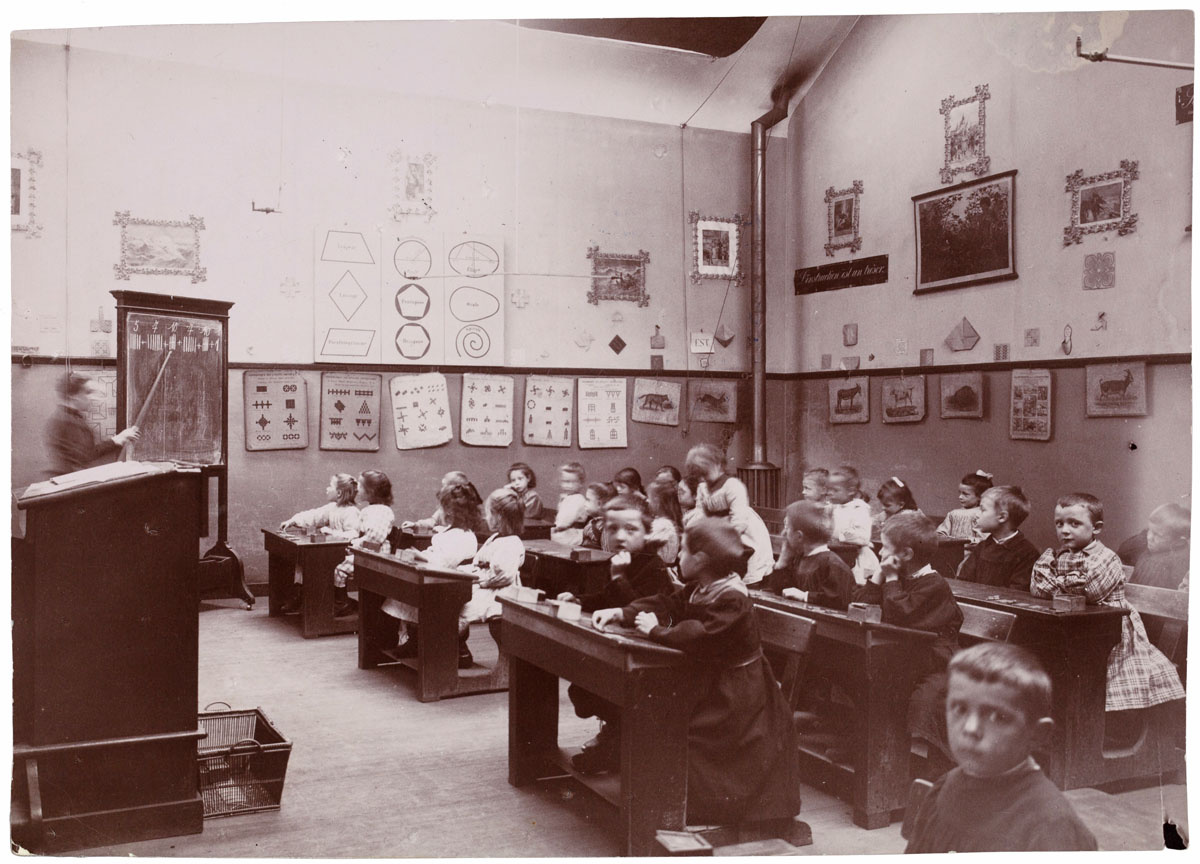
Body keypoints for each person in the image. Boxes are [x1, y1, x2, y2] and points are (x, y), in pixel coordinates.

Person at [591, 518, 801, 825]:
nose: (678, 557)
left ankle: (697, 806)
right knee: (656, 713)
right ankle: (667, 795)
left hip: (738, 697)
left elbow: (701, 634)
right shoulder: (700, 587)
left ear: (701, 560)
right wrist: (623, 612)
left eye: (684, 550)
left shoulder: (732, 598)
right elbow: (666, 603)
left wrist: (656, 632)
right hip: (713, 682)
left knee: (682, 728)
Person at [904, 643, 1098, 852]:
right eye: (959, 709)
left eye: (998, 716)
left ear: (1037, 733)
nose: (970, 728)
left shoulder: (1052, 826)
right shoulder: (946, 786)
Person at [1030, 494, 1185, 719]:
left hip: (1111, 632)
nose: (1065, 530)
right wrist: (1067, 584)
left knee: (1093, 672)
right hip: (1076, 626)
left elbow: (1090, 594)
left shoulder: (1107, 558)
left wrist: (1056, 584)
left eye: (1075, 523)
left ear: (1096, 527)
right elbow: (1037, 587)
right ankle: (1065, 717)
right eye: (1059, 523)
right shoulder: (1060, 556)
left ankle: (1088, 722)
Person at [560, 495, 674, 773]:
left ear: (647, 532)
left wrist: (619, 577)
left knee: (599, 689)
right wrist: (579, 600)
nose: (620, 536)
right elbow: (607, 598)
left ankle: (619, 745)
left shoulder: (654, 568)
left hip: (653, 662)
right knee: (584, 687)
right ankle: (616, 737)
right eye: (612, 529)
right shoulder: (625, 560)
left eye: (630, 529)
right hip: (623, 652)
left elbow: (642, 612)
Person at [855, 511, 964, 773]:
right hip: (913, 658)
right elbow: (860, 601)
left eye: (885, 549)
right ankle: (860, 750)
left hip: (938, 664)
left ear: (905, 555)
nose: (880, 554)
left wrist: (890, 579)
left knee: (907, 698)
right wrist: (880, 577)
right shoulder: (903, 578)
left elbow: (900, 616)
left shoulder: (933, 584)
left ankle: (926, 771)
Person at [377, 481, 481, 657]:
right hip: (440, 580)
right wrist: (420, 555)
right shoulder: (450, 531)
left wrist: (421, 556)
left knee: (411, 596)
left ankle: (458, 649)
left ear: (450, 511)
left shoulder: (463, 537)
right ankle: (415, 640)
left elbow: (444, 563)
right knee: (404, 593)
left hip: (452, 585)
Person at [685, 443, 774, 584]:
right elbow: (700, 513)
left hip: (740, 531)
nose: (703, 479)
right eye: (699, 476)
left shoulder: (732, 486)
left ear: (719, 465)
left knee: (740, 559)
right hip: (716, 529)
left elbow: (739, 519)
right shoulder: (702, 488)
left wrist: (724, 539)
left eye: (705, 473)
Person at [458, 487, 526, 668]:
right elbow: (479, 563)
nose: (486, 518)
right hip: (486, 586)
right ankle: (458, 649)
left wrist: (482, 582)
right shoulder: (496, 537)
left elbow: (505, 576)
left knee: (459, 606)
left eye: (489, 514)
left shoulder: (511, 543)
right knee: (453, 600)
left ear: (500, 518)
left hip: (498, 593)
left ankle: (458, 650)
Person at [278, 473, 361, 613]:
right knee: (302, 560)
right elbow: (314, 515)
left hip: (345, 552)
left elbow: (353, 535)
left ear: (339, 493)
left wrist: (331, 533)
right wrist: (293, 520)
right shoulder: (332, 508)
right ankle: (300, 595)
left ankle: (341, 602)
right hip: (330, 551)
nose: (327, 488)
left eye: (330, 486)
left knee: (336, 569)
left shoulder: (352, 512)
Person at [766, 500, 855, 611]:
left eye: (787, 528)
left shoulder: (832, 564)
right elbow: (779, 590)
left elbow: (842, 600)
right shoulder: (797, 559)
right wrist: (783, 561)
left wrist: (806, 596)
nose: (783, 533)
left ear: (799, 536)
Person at [46, 371, 140, 476]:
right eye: (87, 392)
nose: (92, 398)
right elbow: (86, 454)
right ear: (73, 396)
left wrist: (118, 439)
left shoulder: (72, 417)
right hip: (67, 484)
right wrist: (116, 440)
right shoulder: (66, 420)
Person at [333, 470, 395, 618]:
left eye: (360, 485)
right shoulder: (370, 510)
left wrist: (357, 543)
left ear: (371, 491)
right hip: (367, 552)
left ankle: (342, 604)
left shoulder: (381, 511)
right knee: (337, 565)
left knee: (340, 570)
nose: (357, 489)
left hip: (376, 555)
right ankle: (342, 601)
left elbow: (375, 537)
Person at [956, 486, 1040, 590]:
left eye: (982, 509)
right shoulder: (982, 547)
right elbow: (963, 582)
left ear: (1002, 517)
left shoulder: (1027, 553)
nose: (976, 515)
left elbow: (1018, 593)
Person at [828, 465, 880, 584]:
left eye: (835, 490)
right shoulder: (834, 507)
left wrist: (839, 535)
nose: (830, 493)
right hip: (838, 554)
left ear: (851, 491)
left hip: (857, 558)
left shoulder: (859, 508)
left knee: (856, 584)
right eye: (829, 489)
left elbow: (863, 537)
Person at [1130, 503, 1190, 590]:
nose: (1149, 537)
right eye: (1149, 530)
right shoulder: (1150, 552)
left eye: (1158, 535)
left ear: (1178, 541)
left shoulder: (1175, 562)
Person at [937, 470, 993, 540]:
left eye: (965, 494)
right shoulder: (953, 514)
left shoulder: (982, 515)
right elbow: (940, 534)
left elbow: (984, 539)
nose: (960, 497)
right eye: (960, 493)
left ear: (980, 496)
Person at [645, 474, 684, 566]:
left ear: (658, 501)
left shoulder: (663, 525)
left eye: (649, 497)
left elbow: (643, 547)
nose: (647, 501)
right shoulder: (662, 522)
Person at [872, 476, 922, 543]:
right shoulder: (888, 513)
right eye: (882, 504)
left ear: (901, 504)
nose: (882, 508)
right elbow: (874, 520)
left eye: (887, 505)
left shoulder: (909, 517)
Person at [551, 462, 590, 545]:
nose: (568, 485)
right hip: (563, 531)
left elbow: (564, 522)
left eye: (573, 482)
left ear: (581, 483)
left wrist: (554, 528)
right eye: (565, 481)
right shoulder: (567, 497)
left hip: (571, 535)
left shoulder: (577, 499)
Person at [580, 482, 617, 549]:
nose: (584, 503)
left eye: (588, 500)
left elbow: (606, 553)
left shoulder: (605, 528)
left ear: (600, 504)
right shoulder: (592, 521)